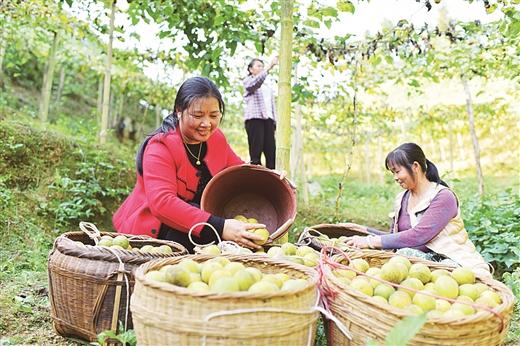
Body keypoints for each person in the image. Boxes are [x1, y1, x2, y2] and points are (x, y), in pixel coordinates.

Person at [112, 77, 266, 253]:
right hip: (154, 234)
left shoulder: (216, 139)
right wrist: (221, 227)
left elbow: (239, 171)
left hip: (199, 226)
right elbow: (162, 203)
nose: (207, 123)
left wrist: (271, 177)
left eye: (214, 116)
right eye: (198, 115)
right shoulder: (160, 146)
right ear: (179, 111)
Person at [343, 143, 491, 277]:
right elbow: (396, 237)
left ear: (415, 166)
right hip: (416, 267)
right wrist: (363, 230)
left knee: (402, 255)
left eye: (397, 171)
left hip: (451, 263)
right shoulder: (401, 199)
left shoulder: (443, 196)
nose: (395, 178)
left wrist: (369, 241)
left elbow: (419, 235)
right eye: (392, 173)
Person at [243, 56, 278, 169]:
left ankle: (273, 181)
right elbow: (255, 83)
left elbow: (272, 107)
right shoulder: (249, 81)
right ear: (251, 69)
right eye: (258, 66)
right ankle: (256, 180)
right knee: (255, 154)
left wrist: (274, 122)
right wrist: (269, 67)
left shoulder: (268, 87)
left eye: (262, 66)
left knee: (271, 154)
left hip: (268, 121)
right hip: (254, 120)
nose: (261, 68)